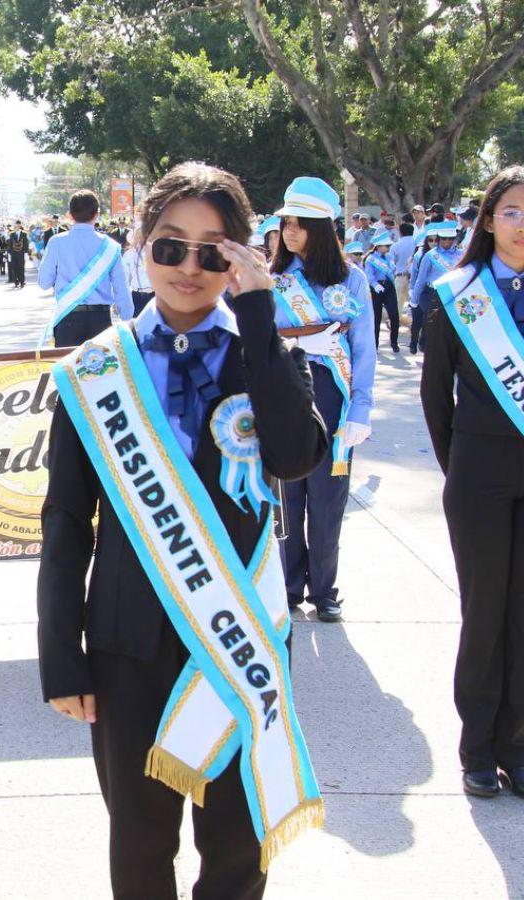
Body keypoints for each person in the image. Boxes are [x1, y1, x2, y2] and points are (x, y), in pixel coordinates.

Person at [39, 161, 327, 900]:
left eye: (212, 250)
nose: (188, 268)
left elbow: (297, 458)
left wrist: (259, 312)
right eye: (170, 246)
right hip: (124, 642)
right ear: (140, 248)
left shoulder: (261, 355)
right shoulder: (96, 371)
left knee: (237, 844)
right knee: (139, 845)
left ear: (239, 256)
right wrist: (58, 654)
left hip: (239, 639)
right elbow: (67, 520)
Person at [421, 165, 524, 799]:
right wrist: (459, 468)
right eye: (512, 210)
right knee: (485, 612)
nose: (523, 223)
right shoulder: (457, 292)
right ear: (488, 220)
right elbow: (437, 399)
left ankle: (519, 744)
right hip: (480, 473)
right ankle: (478, 747)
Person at [271, 176, 375, 623]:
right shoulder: (274, 279)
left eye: (298, 223)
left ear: (321, 227)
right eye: (286, 223)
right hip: (286, 396)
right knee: (288, 498)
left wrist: (362, 408)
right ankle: (289, 586)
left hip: (333, 396)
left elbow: (364, 348)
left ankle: (325, 589)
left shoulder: (352, 280)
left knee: (328, 500)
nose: (288, 232)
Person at [38, 190, 132, 347]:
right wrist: (127, 320)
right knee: (103, 370)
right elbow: (121, 289)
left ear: (70, 214)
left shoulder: (56, 242)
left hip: (68, 318)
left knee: (67, 371)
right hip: (101, 321)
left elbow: (44, 283)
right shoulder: (111, 247)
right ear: (97, 214)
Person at [409, 221, 463, 354]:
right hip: (431, 293)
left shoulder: (461, 255)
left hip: (453, 293)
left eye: (450, 238)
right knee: (433, 321)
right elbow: (420, 280)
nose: (447, 241)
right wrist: (414, 300)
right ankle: (425, 343)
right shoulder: (430, 255)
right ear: (439, 239)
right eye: (444, 238)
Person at [364, 230, 400, 351]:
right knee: (376, 317)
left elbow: (392, 271)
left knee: (394, 315)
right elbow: (369, 275)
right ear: (378, 247)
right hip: (376, 288)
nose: (389, 247)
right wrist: (375, 285)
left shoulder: (390, 257)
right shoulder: (371, 259)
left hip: (389, 286)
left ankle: (394, 342)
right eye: (387, 246)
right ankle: (375, 344)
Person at [7, 221, 29, 288]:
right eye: (16, 225)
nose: (17, 226)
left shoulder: (24, 234)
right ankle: (16, 281)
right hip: (13, 254)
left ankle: (22, 281)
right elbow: (10, 245)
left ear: (20, 225)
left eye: (19, 225)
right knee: (14, 268)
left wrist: (26, 253)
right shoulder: (11, 234)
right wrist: (9, 254)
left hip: (21, 253)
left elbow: (26, 243)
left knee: (21, 268)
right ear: (15, 225)